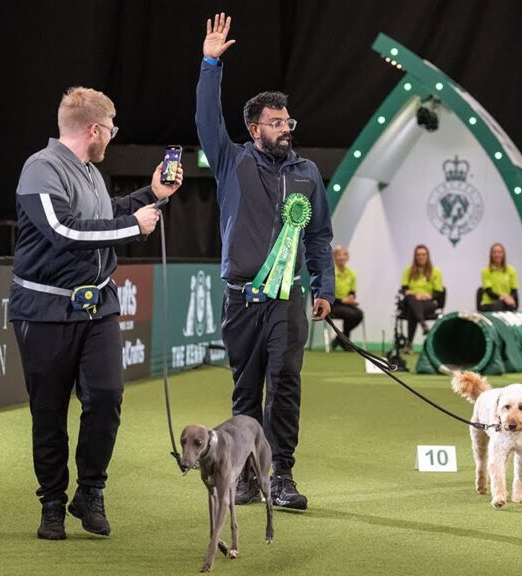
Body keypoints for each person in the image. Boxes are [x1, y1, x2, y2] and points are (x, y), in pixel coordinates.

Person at [9, 87, 183, 540]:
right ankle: (51, 502)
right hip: (45, 310)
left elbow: (104, 216)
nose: (113, 136)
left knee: (105, 397)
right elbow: (63, 230)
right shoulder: (40, 169)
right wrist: (132, 225)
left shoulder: (89, 173)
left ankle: (90, 492)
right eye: (112, 128)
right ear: (95, 129)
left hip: (98, 307)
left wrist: (152, 194)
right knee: (48, 413)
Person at [196, 13, 334, 511]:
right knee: (245, 390)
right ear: (254, 129)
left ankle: (283, 477)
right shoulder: (232, 160)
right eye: (276, 123)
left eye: (288, 122)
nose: (285, 129)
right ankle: (248, 477)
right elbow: (206, 121)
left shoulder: (308, 173)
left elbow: (319, 235)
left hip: (287, 300)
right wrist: (211, 63)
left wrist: (323, 287)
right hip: (241, 298)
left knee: (287, 382)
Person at [400, 244, 445, 353]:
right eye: (418, 254)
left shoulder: (436, 271)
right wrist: (415, 294)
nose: (421, 257)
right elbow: (404, 288)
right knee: (412, 299)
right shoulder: (408, 270)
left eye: (423, 254)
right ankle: (422, 323)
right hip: (411, 301)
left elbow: (439, 292)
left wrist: (427, 296)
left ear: (427, 256)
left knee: (413, 309)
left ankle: (409, 344)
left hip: (428, 303)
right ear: (415, 256)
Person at [329, 245, 363, 349]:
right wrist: (342, 300)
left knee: (359, 314)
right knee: (351, 314)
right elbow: (327, 293)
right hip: (332, 304)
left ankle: (340, 338)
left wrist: (351, 298)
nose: (342, 257)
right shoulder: (330, 272)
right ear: (334, 257)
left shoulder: (351, 274)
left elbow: (352, 291)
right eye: (339, 255)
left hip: (345, 304)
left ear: (347, 257)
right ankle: (345, 342)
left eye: (344, 255)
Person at [478, 243, 519, 312]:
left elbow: (514, 290)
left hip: (507, 302)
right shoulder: (486, 271)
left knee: (509, 305)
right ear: (491, 255)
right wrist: (503, 298)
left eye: (499, 252)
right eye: (494, 252)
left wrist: (509, 298)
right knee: (499, 304)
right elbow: (489, 291)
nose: (497, 255)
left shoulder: (511, 270)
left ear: (503, 254)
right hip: (489, 303)